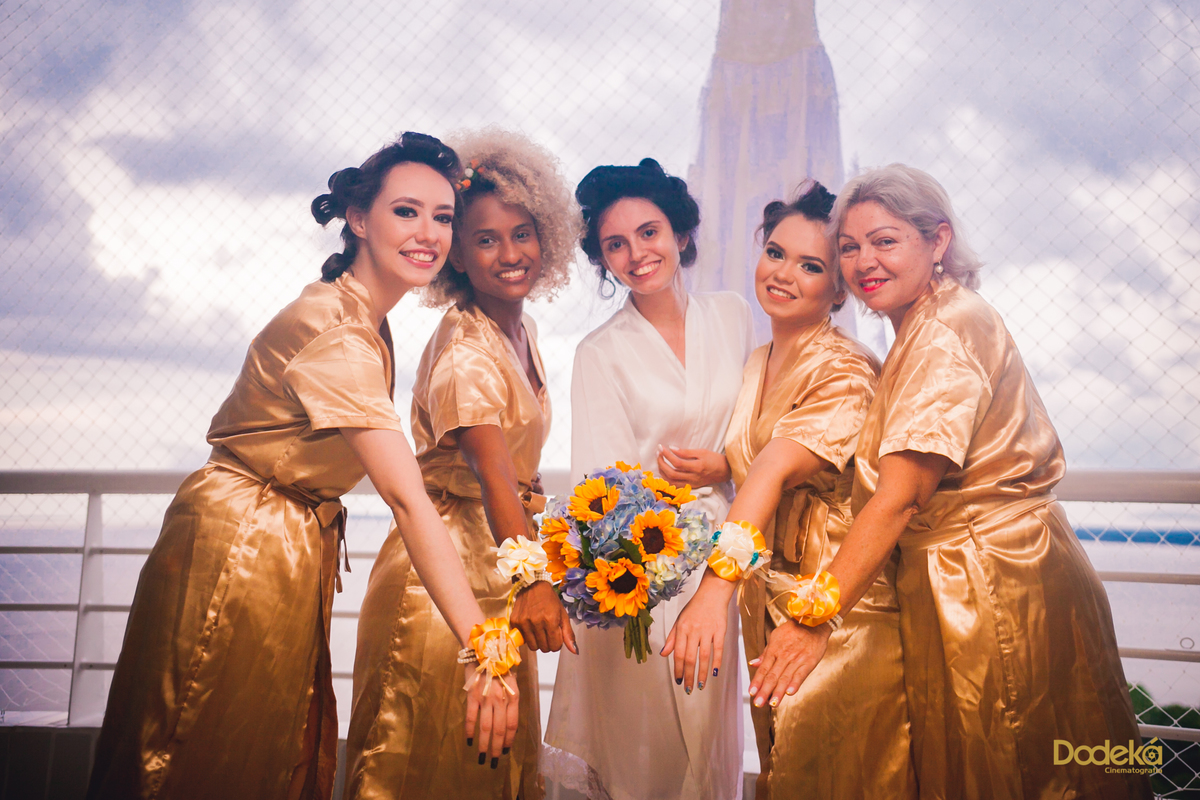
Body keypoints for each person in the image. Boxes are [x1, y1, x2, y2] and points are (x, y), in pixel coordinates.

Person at [85, 133, 519, 800]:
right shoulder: (336, 328)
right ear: (357, 219)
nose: (427, 233)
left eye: (442, 216)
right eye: (406, 211)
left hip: (282, 538)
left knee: (262, 746)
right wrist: (483, 647)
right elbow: (406, 498)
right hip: (242, 539)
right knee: (189, 748)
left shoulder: (367, 318)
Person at [748, 164, 1150, 798]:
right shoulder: (923, 322)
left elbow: (902, 494)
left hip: (992, 575)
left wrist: (812, 617)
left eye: (885, 241)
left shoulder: (941, 332)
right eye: (849, 247)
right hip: (967, 571)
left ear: (937, 242)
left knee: (1016, 767)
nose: (863, 262)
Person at [344, 129, 578, 800]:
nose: (510, 255)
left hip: (499, 562)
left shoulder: (518, 328)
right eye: (484, 239)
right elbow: (495, 481)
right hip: (442, 581)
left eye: (523, 233)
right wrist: (534, 583)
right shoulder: (467, 353)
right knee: (421, 770)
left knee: (492, 772)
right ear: (455, 255)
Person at [665, 181, 915, 799]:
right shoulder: (757, 360)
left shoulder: (844, 369)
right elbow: (778, 457)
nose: (783, 274)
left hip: (838, 613)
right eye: (775, 252)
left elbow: (778, 468)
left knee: (833, 777)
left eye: (812, 266)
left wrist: (712, 592)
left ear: (840, 288)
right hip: (772, 608)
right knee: (787, 773)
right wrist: (722, 464)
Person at [543, 158, 753, 800]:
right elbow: (597, 485)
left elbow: (757, 433)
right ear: (603, 260)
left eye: (650, 232)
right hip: (643, 572)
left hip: (723, 564)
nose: (637, 253)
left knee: (709, 750)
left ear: (681, 234)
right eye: (616, 244)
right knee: (649, 754)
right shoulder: (599, 352)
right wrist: (645, 568)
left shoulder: (734, 316)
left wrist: (726, 466)